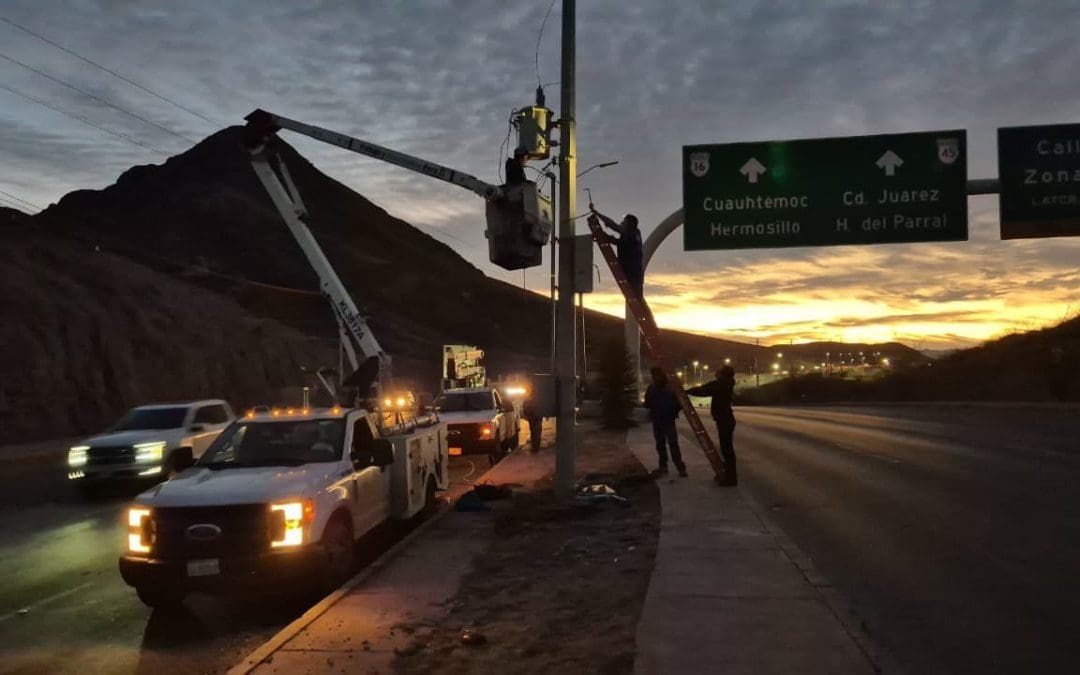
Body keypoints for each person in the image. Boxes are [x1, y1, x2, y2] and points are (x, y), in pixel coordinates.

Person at [686, 365, 737, 486]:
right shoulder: (725, 383)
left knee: (727, 450)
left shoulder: (721, 384)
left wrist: (688, 391)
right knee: (727, 449)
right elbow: (706, 389)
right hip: (725, 419)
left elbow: (704, 390)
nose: (716, 372)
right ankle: (728, 475)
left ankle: (730, 478)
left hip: (725, 419)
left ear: (723, 374)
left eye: (718, 371)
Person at [590, 206, 644, 299]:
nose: (622, 223)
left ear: (629, 224)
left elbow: (613, 225)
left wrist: (597, 214)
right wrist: (607, 237)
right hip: (635, 271)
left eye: (624, 222)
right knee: (636, 296)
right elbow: (621, 243)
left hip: (631, 270)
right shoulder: (634, 234)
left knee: (634, 296)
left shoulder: (631, 233)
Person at [643, 367, 686, 477]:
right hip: (659, 420)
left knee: (671, 444)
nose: (655, 377)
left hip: (666, 420)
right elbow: (647, 403)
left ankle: (678, 467)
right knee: (662, 444)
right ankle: (666, 466)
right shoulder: (653, 388)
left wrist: (672, 411)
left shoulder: (668, 388)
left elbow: (679, 403)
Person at [521, 388, 543, 453]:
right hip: (536, 417)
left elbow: (524, 408)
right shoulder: (538, 399)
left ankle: (535, 447)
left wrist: (526, 416)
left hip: (533, 417)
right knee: (537, 431)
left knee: (534, 431)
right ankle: (536, 447)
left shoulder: (528, 400)